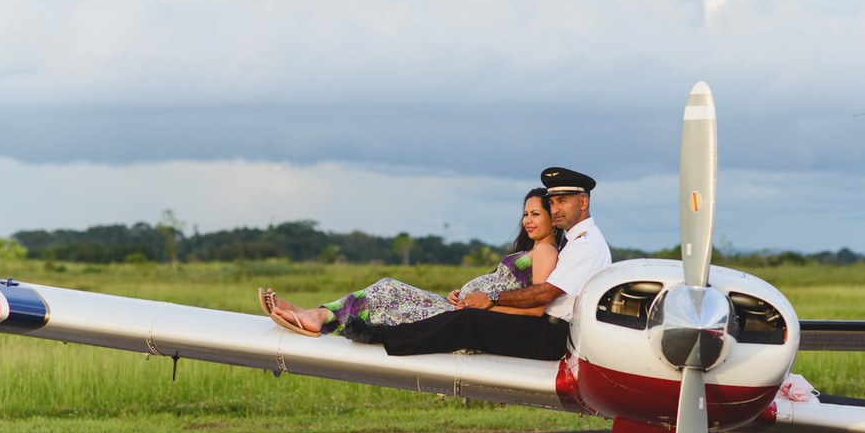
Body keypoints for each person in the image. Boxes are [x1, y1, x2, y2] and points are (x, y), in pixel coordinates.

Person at [342, 166, 611, 361]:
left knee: (469, 320)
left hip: (549, 335)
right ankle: (372, 326)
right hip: (544, 328)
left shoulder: (587, 244)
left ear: (583, 202)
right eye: (552, 202)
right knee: (464, 315)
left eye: (562, 201)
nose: (556, 209)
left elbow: (546, 293)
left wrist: (492, 299)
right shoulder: (575, 241)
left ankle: (383, 337)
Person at [261, 188, 561, 336]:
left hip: (468, 320)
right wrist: (468, 297)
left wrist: (485, 304)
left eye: (536, 214)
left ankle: (318, 318)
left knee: (388, 292)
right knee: (387, 289)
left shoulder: (546, 251)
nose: (528, 221)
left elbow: (535, 306)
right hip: (463, 309)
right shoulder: (535, 249)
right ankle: (316, 315)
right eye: (525, 213)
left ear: (553, 218)